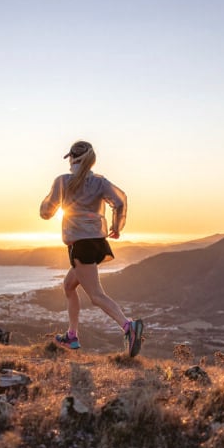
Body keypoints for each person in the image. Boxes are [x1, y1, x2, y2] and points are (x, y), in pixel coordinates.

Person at [40, 140, 145, 357]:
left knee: (96, 295)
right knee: (69, 285)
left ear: (72, 158)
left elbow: (46, 211)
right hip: (96, 242)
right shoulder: (100, 182)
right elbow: (120, 200)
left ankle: (128, 326)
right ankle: (72, 336)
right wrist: (116, 226)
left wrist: (47, 209)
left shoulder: (63, 182)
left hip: (81, 244)